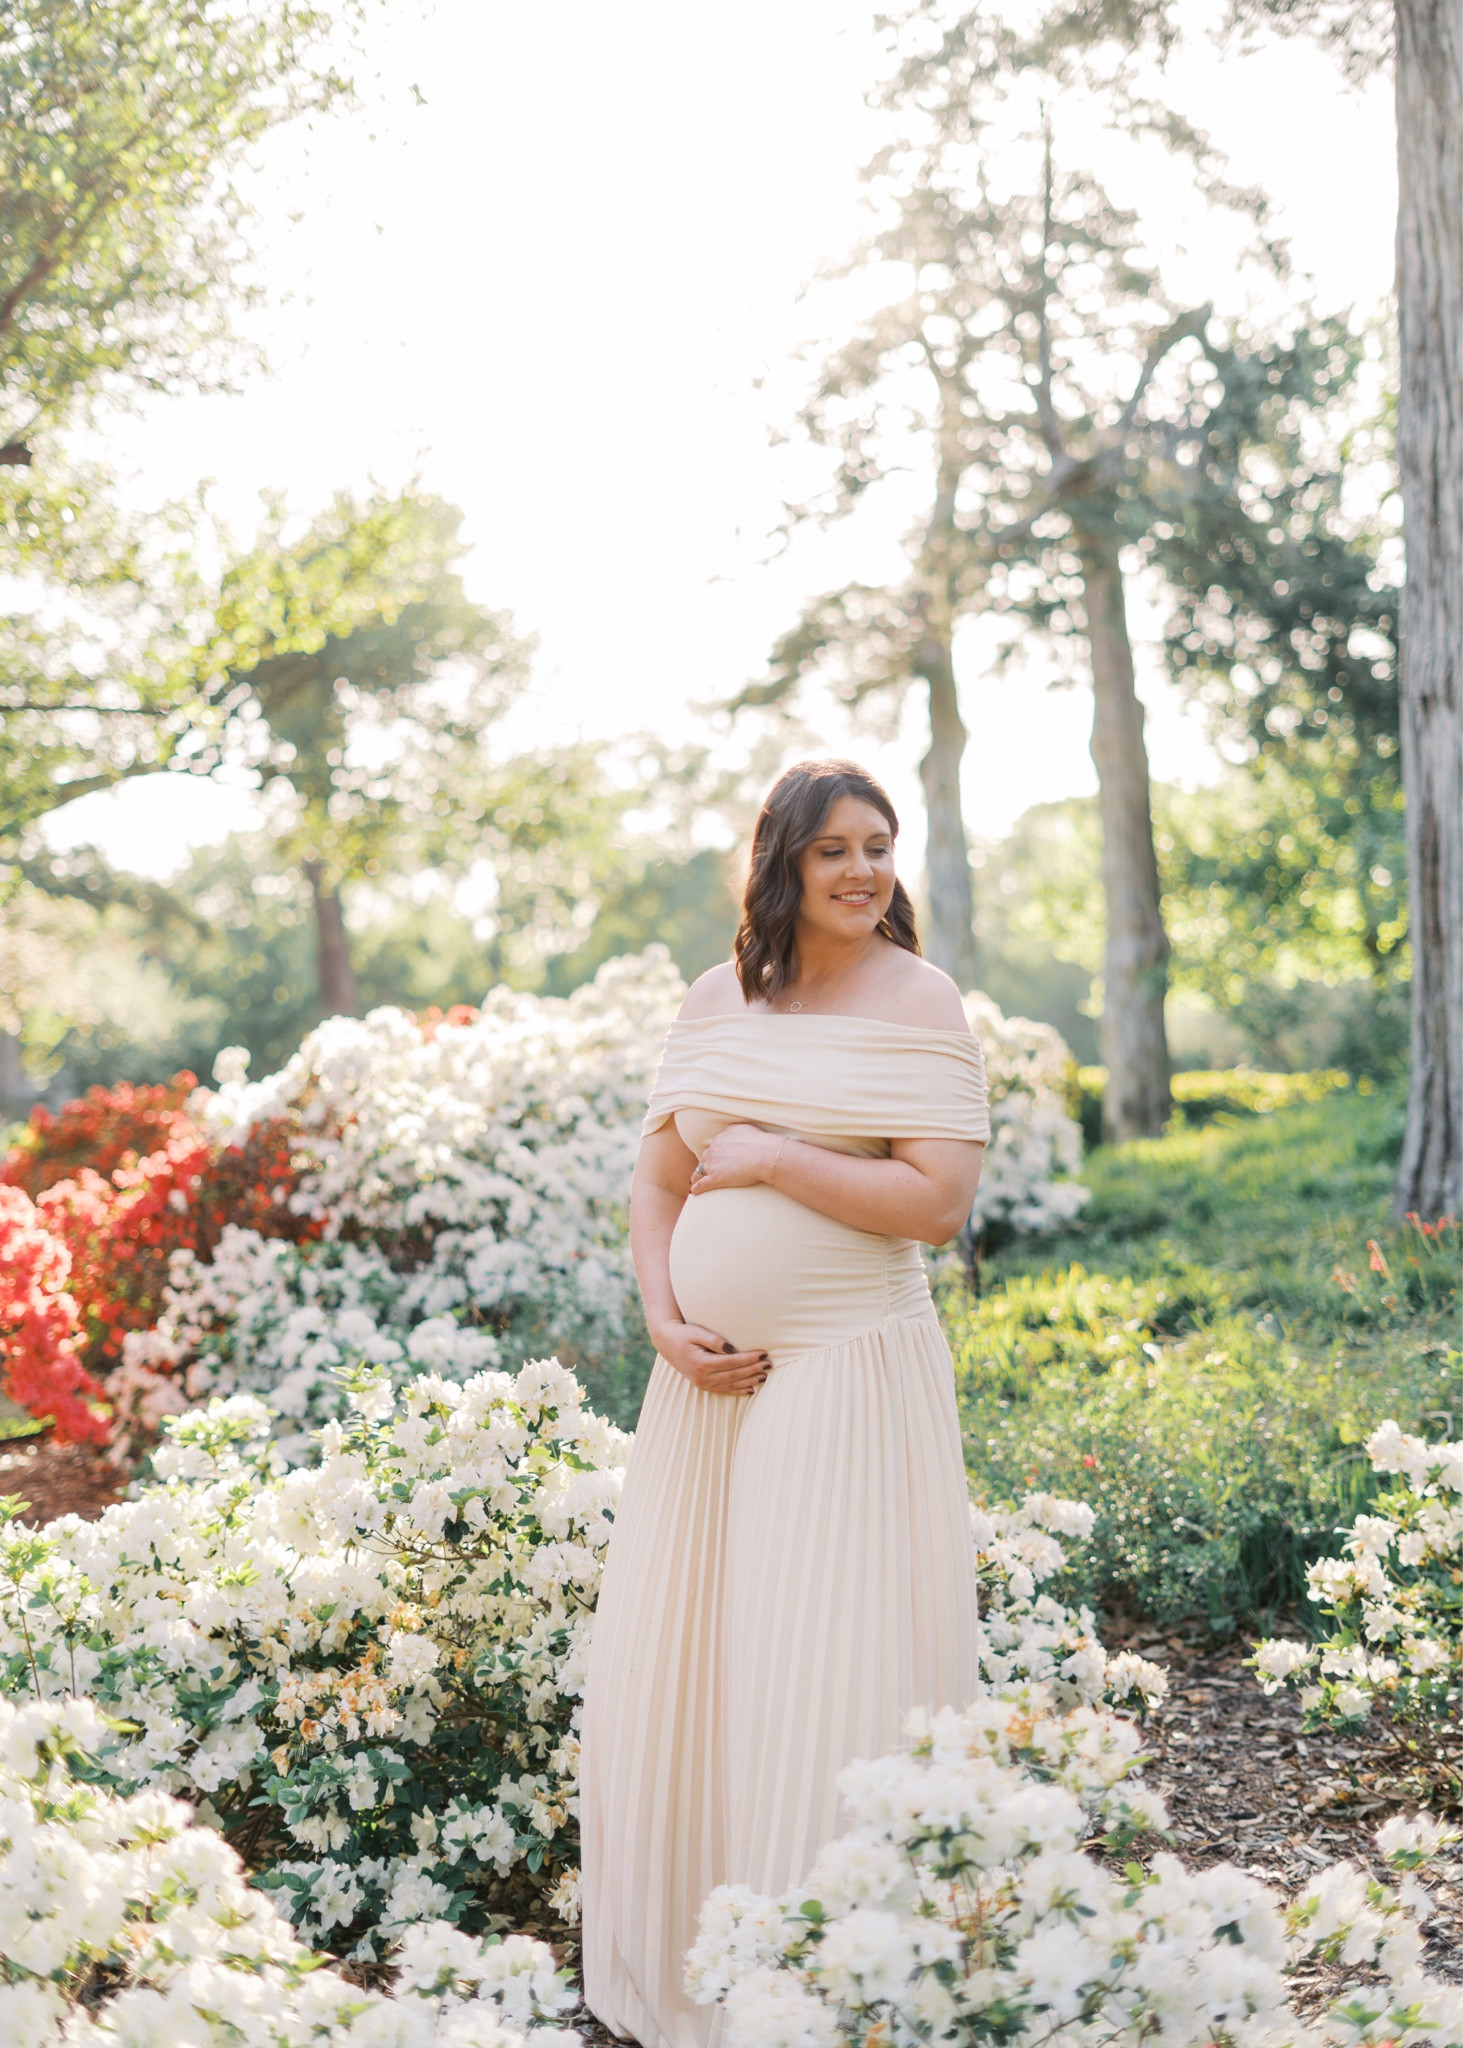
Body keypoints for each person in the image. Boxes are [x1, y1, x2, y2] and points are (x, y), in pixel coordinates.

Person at [579, 758, 989, 2048]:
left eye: (881, 846)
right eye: (835, 851)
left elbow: (936, 1205)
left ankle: (827, 1985)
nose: (865, 870)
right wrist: (663, 1316)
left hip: (845, 1362)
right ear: (784, 865)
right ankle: (703, 1962)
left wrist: (771, 1159)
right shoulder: (718, 997)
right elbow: (657, 1185)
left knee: (818, 1650)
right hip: (703, 1381)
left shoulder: (925, 1002)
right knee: (699, 1653)